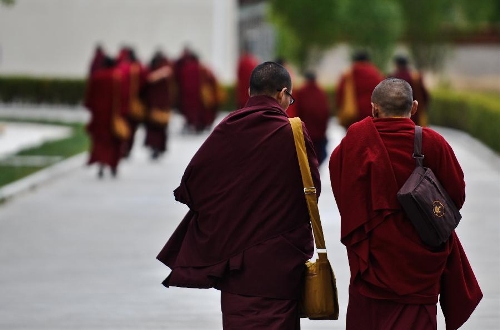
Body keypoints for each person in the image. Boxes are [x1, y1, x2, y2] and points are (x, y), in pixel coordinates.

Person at [157, 61, 320, 329]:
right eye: (289, 98)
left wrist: (227, 213)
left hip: (236, 261)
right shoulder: (292, 131)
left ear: (249, 91)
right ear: (282, 94)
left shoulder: (228, 126)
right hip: (280, 258)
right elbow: (312, 189)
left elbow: (193, 185)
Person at [329, 78, 482, 330]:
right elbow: (457, 196)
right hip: (419, 264)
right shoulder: (433, 143)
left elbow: (344, 193)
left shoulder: (354, 144)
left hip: (372, 264)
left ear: (373, 108)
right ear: (414, 108)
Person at [84, 56, 126, 178]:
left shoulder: (97, 77)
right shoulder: (118, 77)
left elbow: (90, 97)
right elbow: (123, 97)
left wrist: (92, 109)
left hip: (99, 116)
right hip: (114, 116)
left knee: (101, 142)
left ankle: (101, 164)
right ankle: (113, 165)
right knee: (113, 142)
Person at [335, 50, 383, 129]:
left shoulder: (349, 75)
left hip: (353, 116)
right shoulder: (376, 74)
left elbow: (340, 95)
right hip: (373, 116)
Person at [142, 51, 175, 159]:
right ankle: (158, 148)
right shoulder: (164, 73)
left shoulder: (152, 73)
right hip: (161, 106)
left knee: (154, 130)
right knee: (159, 130)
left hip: (153, 107)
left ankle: (155, 148)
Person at [294, 71, 331, 165]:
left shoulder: (301, 92)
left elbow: (297, 111)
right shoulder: (321, 92)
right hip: (319, 134)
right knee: (317, 158)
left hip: (305, 132)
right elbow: (325, 112)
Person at [389, 54, 430, 126]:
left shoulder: (392, 78)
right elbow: (425, 96)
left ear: (396, 65)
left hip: (394, 115)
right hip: (413, 114)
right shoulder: (415, 78)